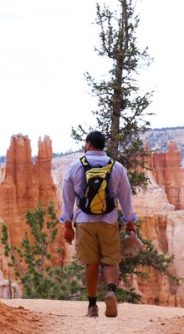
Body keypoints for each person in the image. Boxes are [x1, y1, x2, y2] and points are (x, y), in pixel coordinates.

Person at [59, 130, 138, 317]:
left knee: (91, 263)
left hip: (85, 222)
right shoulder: (117, 167)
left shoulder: (74, 167)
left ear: (88, 145)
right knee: (111, 260)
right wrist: (129, 222)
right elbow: (126, 197)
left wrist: (67, 225)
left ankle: (92, 306)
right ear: (103, 146)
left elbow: (67, 199)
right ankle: (110, 291)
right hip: (109, 221)